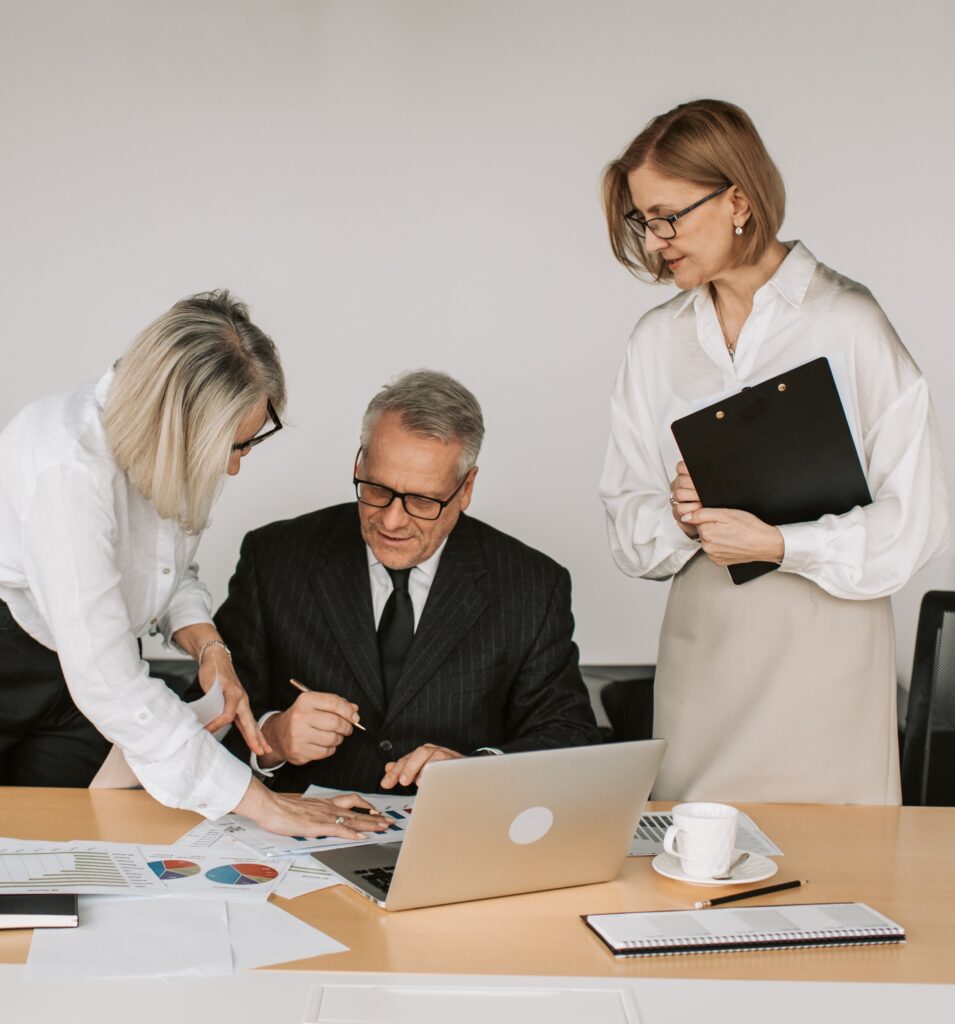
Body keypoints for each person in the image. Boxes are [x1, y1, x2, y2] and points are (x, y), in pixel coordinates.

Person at [598, 99, 949, 804]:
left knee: (832, 879)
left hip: (827, 656)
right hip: (705, 651)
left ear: (736, 199)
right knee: (688, 879)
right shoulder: (655, 340)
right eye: (643, 219)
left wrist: (778, 544)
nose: (655, 238)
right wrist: (680, 513)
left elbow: (915, 524)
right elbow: (626, 527)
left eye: (667, 215)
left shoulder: (847, 323)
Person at [0, 291, 390, 841]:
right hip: (16, 651)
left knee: (64, 845)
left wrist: (211, 647)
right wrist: (265, 804)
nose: (233, 468)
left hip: (77, 681)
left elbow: (163, 571)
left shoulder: (165, 452)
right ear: (177, 428)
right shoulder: (68, 470)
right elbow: (109, 683)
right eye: (233, 446)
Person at [217, 369, 601, 794]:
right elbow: (201, 720)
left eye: (422, 501)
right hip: (297, 835)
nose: (393, 520)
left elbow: (568, 737)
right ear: (359, 464)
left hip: (453, 838)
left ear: (466, 488)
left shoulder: (532, 586)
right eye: (377, 490)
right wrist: (272, 738)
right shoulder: (274, 557)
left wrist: (477, 771)